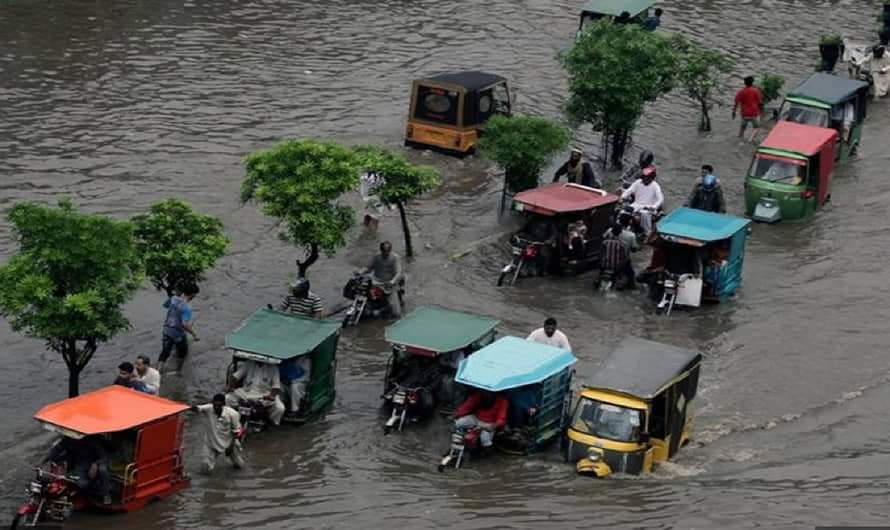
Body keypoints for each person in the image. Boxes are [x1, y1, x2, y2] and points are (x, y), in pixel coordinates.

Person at [42, 435, 111, 504]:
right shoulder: (68, 439)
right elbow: (56, 449)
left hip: (92, 463)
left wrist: (95, 464)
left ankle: (105, 494)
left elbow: (104, 457)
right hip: (77, 463)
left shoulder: (92, 441)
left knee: (101, 471)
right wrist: (44, 461)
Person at [192, 394, 243, 473]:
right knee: (205, 470)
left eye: (219, 405)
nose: (216, 408)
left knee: (239, 466)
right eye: (215, 405)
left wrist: (231, 446)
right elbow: (197, 408)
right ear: (212, 403)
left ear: (224, 404)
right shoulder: (209, 408)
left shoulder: (233, 414)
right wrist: (190, 407)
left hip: (229, 442)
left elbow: (236, 431)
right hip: (212, 443)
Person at [226, 359, 286, 426]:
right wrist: (230, 387)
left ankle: (270, 423)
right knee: (227, 398)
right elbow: (236, 376)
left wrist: (271, 396)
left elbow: (276, 386)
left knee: (280, 408)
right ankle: (230, 418)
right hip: (246, 392)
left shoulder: (273, 367)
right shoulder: (249, 363)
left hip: (264, 394)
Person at [158, 284, 199, 373]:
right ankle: (178, 371)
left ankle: (158, 371)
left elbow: (165, 305)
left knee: (165, 351)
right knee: (183, 353)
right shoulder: (187, 308)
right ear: (193, 295)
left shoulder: (173, 298)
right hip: (178, 334)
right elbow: (184, 324)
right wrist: (194, 334)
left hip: (166, 329)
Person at [358, 241, 405, 318]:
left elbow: (398, 272)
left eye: (388, 251)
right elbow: (368, 268)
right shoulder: (376, 257)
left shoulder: (395, 258)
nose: (386, 253)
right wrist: (360, 272)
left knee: (397, 314)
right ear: (381, 250)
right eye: (384, 251)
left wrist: (392, 281)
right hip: (376, 282)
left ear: (390, 250)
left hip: (389, 284)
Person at [621, 165, 664, 237]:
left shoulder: (655, 186)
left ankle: (647, 232)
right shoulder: (638, 182)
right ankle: (623, 227)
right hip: (636, 205)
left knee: (645, 215)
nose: (645, 179)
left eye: (647, 178)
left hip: (648, 207)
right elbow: (629, 190)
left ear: (651, 178)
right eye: (644, 177)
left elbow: (660, 199)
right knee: (624, 212)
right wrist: (623, 197)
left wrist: (654, 206)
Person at [733, 76, 763, 142]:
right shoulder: (756, 91)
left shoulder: (741, 92)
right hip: (754, 113)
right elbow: (760, 103)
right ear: (752, 82)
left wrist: (734, 112)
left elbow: (736, 102)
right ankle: (750, 139)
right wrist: (761, 111)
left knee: (742, 129)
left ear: (744, 83)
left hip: (744, 114)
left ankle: (740, 140)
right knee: (756, 127)